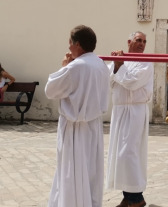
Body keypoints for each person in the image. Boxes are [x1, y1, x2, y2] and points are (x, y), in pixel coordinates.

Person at [45, 25, 110, 207]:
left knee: (71, 171)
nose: (69, 47)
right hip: (93, 126)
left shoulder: (75, 67)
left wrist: (64, 66)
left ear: (78, 44)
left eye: (70, 43)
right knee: (90, 171)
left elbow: (51, 90)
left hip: (74, 127)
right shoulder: (100, 65)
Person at [106, 31, 154, 207]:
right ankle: (127, 196)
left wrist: (119, 67)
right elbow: (110, 82)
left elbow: (131, 82)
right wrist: (118, 66)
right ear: (129, 41)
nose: (142, 44)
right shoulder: (120, 59)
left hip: (135, 110)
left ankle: (137, 198)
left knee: (129, 153)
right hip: (119, 111)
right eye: (138, 40)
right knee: (119, 154)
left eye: (144, 41)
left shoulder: (147, 63)